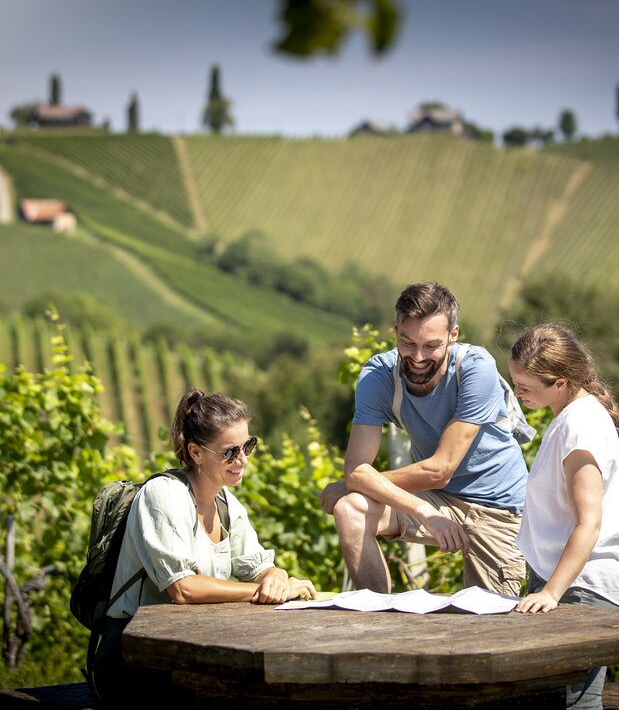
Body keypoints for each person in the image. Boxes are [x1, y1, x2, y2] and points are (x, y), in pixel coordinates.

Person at [93, 389, 316, 702]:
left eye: (248, 446)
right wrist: (259, 592)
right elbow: (183, 589)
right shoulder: (163, 496)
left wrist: (277, 578)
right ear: (196, 453)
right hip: (132, 654)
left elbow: (259, 567)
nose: (243, 459)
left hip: (188, 646)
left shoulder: (227, 504)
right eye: (230, 452)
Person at [319, 282, 528, 597]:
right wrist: (420, 509)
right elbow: (357, 468)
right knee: (350, 509)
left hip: (497, 509)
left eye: (431, 345)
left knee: (490, 626)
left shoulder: (475, 368)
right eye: (407, 342)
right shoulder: (378, 377)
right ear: (395, 332)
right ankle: (377, 617)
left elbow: (440, 469)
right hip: (436, 500)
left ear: (453, 336)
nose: (417, 357)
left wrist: (356, 481)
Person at [507, 323, 619, 710]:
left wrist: (551, 591)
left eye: (525, 387)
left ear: (561, 382)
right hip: (567, 584)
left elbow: (588, 523)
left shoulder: (581, 426)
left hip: (584, 590)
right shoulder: (569, 414)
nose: (517, 393)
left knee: (576, 706)